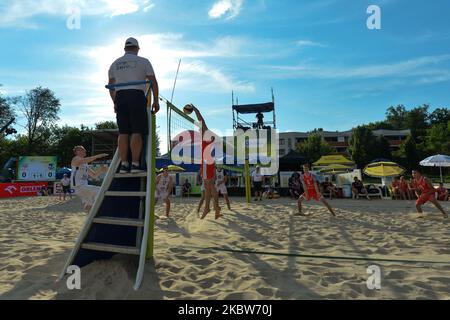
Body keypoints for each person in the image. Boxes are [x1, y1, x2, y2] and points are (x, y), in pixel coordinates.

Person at [108, 37, 160, 174]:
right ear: (137, 48)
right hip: (136, 95)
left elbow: (111, 86)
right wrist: (155, 100)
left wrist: (115, 102)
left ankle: (124, 164)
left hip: (120, 96)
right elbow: (153, 81)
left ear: (125, 48)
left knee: (123, 132)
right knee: (137, 131)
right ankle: (136, 163)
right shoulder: (144, 61)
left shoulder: (114, 64)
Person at [190, 104, 221, 220]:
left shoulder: (206, 133)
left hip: (206, 162)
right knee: (209, 187)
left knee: (210, 186)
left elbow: (201, 119)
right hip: (208, 162)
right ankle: (212, 208)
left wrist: (195, 109)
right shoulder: (207, 136)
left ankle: (213, 207)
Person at [71, 146, 108, 212]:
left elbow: (94, 175)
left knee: (89, 205)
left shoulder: (85, 164)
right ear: (77, 152)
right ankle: (100, 211)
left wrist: (101, 170)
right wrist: (97, 156)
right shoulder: (76, 159)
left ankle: (88, 219)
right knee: (100, 191)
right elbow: (83, 160)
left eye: (84, 149)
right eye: (82, 150)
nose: (84, 151)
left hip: (82, 187)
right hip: (79, 186)